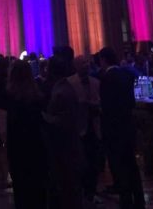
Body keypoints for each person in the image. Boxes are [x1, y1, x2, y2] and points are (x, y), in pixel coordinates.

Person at [98, 47, 145, 209]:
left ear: (103, 60)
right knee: (131, 164)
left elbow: (105, 107)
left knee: (120, 166)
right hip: (128, 126)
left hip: (114, 129)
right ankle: (139, 200)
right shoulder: (126, 75)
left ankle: (126, 201)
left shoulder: (107, 78)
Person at [5, 59, 48, 209]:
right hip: (37, 149)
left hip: (19, 152)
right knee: (38, 191)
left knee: (22, 193)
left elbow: (10, 130)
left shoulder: (11, 98)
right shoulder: (38, 97)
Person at [44, 55, 83, 209]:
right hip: (69, 144)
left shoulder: (61, 91)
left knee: (65, 185)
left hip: (63, 146)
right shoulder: (67, 87)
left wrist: (43, 117)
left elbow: (62, 120)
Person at [68, 55, 102, 203]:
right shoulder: (69, 83)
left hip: (94, 128)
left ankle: (91, 192)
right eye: (83, 63)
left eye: (87, 62)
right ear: (75, 66)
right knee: (79, 163)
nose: (86, 65)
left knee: (94, 162)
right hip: (78, 128)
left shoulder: (96, 82)